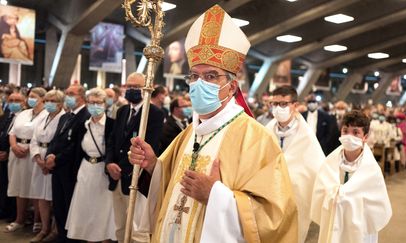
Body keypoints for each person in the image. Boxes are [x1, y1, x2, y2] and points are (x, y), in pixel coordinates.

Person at [129, 5, 298, 242]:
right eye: (194, 76)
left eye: (210, 76)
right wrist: (152, 165)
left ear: (232, 86)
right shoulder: (189, 133)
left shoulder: (256, 138)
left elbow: (276, 217)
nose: (199, 83)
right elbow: (168, 184)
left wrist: (216, 196)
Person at [311, 110, 392, 243]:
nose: (349, 136)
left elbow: (377, 206)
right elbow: (319, 192)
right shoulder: (329, 163)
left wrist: (345, 196)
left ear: (365, 137)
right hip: (333, 222)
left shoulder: (371, 170)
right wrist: (334, 195)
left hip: (359, 229)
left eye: (355, 132)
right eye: (345, 131)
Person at [105, 72, 164, 242]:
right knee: (120, 225)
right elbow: (112, 140)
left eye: (136, 87)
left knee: (136, 229)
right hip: (116, 177)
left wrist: (124, 168)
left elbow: (150, 146)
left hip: (135, 177)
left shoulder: (154, 113)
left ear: (146, 89)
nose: (131, 90)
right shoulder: (122, 110)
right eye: (129, 86)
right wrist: (110, 163)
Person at [265, 86, 325, 243]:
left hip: (296, 198)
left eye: (284, 104)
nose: (278, 108)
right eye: (275, 104)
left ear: (295, 106)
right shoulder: (266, 131)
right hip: (268, 197)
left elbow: (317, 168)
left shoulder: (306, 136)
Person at [66, 88, 116, 242]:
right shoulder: (83, 125)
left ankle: (104, 239)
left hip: (103, 172)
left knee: (102, 210)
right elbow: (76, 148)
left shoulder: (112, 124)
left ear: (105, 104)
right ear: (87, 104)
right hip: (85, 169)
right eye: (91, 102)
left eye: (98, 102)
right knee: (86, 208)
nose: (95, 106)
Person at [45, 84, 90, 243]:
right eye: (67, 93)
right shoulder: (65, 116)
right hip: (57, 168)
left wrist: (56, 159)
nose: (68, 96)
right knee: (59, 206)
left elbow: (75, 147)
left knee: (70, 207)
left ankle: (71, 239)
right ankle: (62, 237)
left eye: (72, 93)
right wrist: (49, 154)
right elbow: (55, 139)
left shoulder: (86, 116)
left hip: (71, 169)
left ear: (82, 97)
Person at [5, 88, 47, 233]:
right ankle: (19, 219)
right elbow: (12, 133)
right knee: (19, 186)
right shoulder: (23, 113)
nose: (31, 99)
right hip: (16, 152)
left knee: (34, 187)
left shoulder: (46, 115)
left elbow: (42, 136)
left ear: (42, 99)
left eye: (34, 97)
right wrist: (14, 146)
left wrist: (29, 148)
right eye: (29, 96)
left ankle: (37, 220)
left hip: (33, 153)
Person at [29, 89, 65, 242]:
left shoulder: (64, 118)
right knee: (41, 198)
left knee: (55, 198)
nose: (49, 104)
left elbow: (61, 142)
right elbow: (34, 139)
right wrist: (37, 158)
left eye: (53, 101)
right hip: (40, 159)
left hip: (53, 160)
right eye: (47, 101)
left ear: (60, 104)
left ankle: (56, 230)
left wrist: (49, 162)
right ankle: (44, 228)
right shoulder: (43, 117)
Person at [0, 88, 17, 221]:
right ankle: (3, 209)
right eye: (11, 100)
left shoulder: (22, 116)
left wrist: (7, 151)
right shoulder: (7, 114)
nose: (13, 103)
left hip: (11, 154)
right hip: (2, 154)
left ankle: (12, 213)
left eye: (17, 100)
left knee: (10, 184)